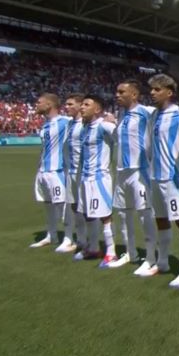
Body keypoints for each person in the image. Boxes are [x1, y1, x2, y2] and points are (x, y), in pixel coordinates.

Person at [146, 73, 179, 288]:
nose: (152, 93)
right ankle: (163, 261)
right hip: (155, 177)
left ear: (169, 92)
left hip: (174, 178)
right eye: (151, 89)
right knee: (160, 219)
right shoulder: (152, 116)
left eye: (157, 89)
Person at [109, 79, 158, 274]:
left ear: (134, 95)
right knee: (122, 213)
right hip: (122, 171)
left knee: (145, 215)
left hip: (141, 170)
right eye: (117, 92)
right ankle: (130, 252)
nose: (117, 95)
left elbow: (168, 115)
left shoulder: (147, 111)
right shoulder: (120, 114)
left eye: (122, 92)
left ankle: (151, 257)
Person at [73, 94, 117, 267]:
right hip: (85, 178)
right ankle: (93, 248)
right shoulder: (85, 128)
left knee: (105, 216)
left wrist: (114, 122)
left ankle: (111, 253)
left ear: (97, 109)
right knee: (88, 215)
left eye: (86, 104)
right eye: (82, 104)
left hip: (100, 179)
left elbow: (123, 138)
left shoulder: (104, 126)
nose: (82, 107)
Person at [30, 93, 71, 249]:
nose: (36, 105)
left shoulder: (64, 122)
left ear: (49, 105)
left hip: (57, 171)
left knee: (62, 206)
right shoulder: (45, 124)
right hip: (43, 171)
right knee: (48, 205)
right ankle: (51, 235)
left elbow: (83, 120)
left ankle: (68, 238)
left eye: (39, 102)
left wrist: (107, 118)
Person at [60, 92, 86, 253]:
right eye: (66, 104)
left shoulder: (86, 123)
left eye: (70, 104)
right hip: (71, 171)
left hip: (84, 172)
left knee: (84, 208)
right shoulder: (69, 124)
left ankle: (84, 240)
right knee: (72, 206)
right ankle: (73, 238)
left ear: (80, 105)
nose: (67, 107)